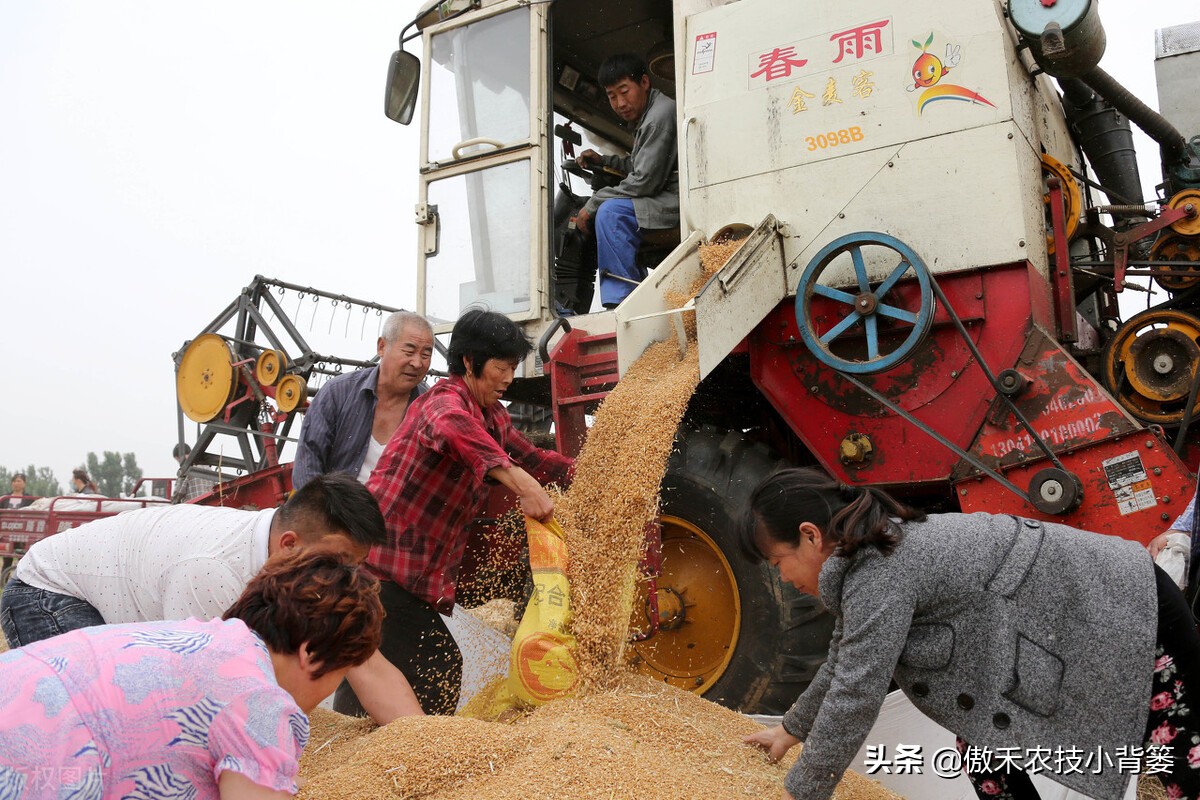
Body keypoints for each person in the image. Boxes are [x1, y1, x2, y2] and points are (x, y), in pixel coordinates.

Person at [739, 468, 1200, 800]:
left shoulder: (880, 567)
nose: (783, 579)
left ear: (810, 536)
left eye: (779, 563)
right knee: (982, 747)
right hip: (1093, 621)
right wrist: (790, 730)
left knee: (1173, 768)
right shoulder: (865, 559)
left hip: (1133, 613)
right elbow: (845, 660)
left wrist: (803, 791)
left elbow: (856, 692)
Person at [1, 472, 423, 723]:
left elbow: (368, 666)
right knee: (110, 722)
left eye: (355, 566)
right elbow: (189, 689)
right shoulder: (214, 572)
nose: (346, 577)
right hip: (51, 592)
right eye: (340, 561)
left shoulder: (291, 562)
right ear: (290, 544)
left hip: (129, 608)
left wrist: (422, 740)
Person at [334, 309, 575, 717]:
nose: (508, 379)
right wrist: (523, 485)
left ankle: (355, 741)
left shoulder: (493, 417)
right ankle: (387, 751)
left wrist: (591, 471)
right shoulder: (441, 402)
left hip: (412, 578)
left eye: (512, 368)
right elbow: (457, 433)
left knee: (378, 663)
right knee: (433, 663)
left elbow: (531, 457)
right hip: (377, 567)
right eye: (501, 367)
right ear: (469, 362)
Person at [0, 546, 382, 800]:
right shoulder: (259, 700)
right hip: (34, 768)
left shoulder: (199, 638)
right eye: (342, 673)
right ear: (312, 654)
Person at [573, 53, 679, 308]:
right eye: (612, 96)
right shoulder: (652, 113)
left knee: (611, 213)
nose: (620, 103)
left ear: (644, 83)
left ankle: (622, 302)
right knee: (609, 208)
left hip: (677, 201)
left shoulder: (658, 117)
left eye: (624, 91)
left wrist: (593, 204)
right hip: (665, 197)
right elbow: (639, 165)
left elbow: (644, 181)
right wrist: (604, 162)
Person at [292, 310, 435, 490]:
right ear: (381, 346)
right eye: (409, 351)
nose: (417, 363)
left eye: (425, 355)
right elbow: (307, 466)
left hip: (398, 516)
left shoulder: (430, 409)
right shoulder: (338, 393)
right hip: (333, 512)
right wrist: (320, 515)